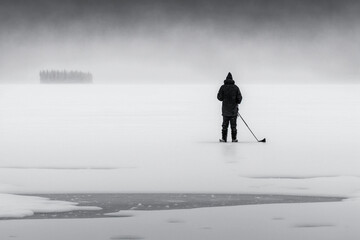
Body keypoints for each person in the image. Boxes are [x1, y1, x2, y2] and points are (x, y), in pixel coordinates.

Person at [217, 72, 242, 142]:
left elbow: (219, 98)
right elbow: (239, 99)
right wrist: (236, 102)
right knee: (233, 126)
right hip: (233, 111)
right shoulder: (236, 88)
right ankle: (234, 139)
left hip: (225, 110)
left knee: (224, 126)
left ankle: (224, 139)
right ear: (232, 79)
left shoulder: (222, 87)